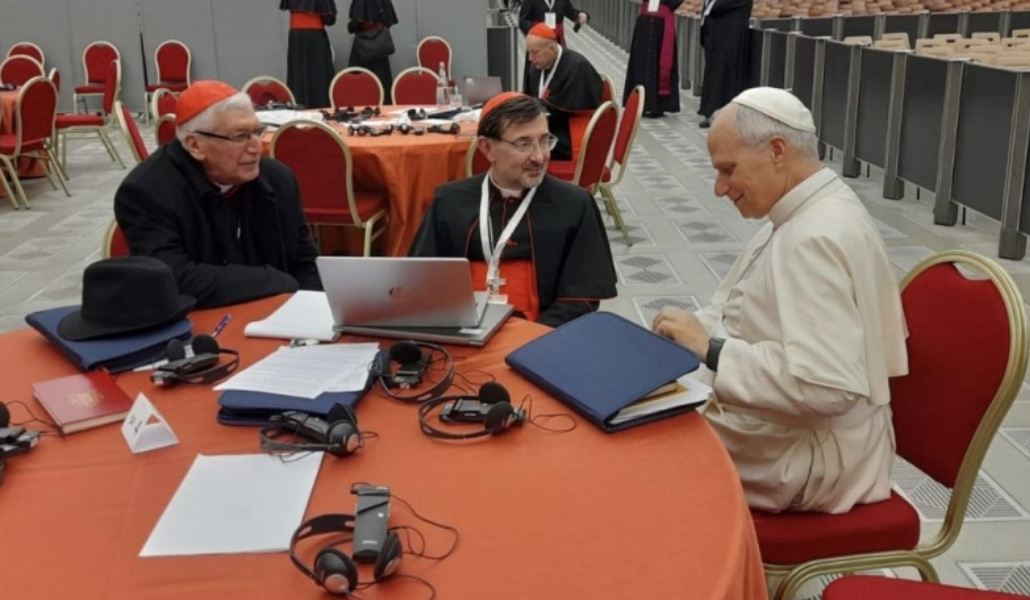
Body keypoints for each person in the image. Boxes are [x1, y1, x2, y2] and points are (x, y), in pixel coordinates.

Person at [652, 88, 908, 514]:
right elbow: (736, 305)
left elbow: (828, 387)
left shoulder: (813, 237)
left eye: (728, 170)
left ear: (776, 151)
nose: (719, 189)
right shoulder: (804, 209)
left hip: (812, 457)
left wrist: (709, 348)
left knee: (642, 445)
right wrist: (681, 337)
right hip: (797, 433)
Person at [409, 92, 617, 328]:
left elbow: (582, 296)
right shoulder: (450, 200)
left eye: (544, 141)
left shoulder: (575, 204)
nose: (539, 156)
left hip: (541, 335)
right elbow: (424, 281)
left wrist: (531, 336)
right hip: (461, 330)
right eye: (523, 144)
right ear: (487, 148)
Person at [115, 80, 322, 309]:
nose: (256, 147)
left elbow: (305, 261)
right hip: (201, 322)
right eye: (239, 137)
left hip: (281, 316)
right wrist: (277, 281)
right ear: (195, 145)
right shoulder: (146, 192)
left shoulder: (278, 179)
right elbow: (172, 277)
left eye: (257, 132)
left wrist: (309, 311)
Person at [523, 24, 602, 161]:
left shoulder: (577, 66)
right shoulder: (538, 65)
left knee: (520, 149)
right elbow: (532, 96)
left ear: (552, 49)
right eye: (528, 52)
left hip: (568, 131)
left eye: (534, 52)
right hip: (548, 125)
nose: (530, 58)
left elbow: (570, 106)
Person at [623, 0, 684, 118]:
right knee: (640, 63)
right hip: (645, 23)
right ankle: (640, 103)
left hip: (662, 25)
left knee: (659, 64)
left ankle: (657, 105)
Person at [698, 0, 753, 128]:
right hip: (717, 36)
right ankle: (711, 111)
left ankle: (722, 114)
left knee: (724, 76)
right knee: (714, 74)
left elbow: (717, 7)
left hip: (730, 36)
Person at [281, 0, 337, 108]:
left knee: (298, 75)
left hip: (296, 38)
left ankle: (299, 107)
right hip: (314, 37)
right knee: (319, 77)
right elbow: (329, 19)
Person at [347, 0, 398, 103]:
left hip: (362, 47)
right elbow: (388, 20)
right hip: (380, 46)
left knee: (359, 81)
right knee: (382, 81)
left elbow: (356, 23)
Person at [518, 0, 588, 47]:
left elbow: (572, 13)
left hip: (557, 42)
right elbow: (523, 20)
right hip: (538, 42)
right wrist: (533, 35)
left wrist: (581, 14)